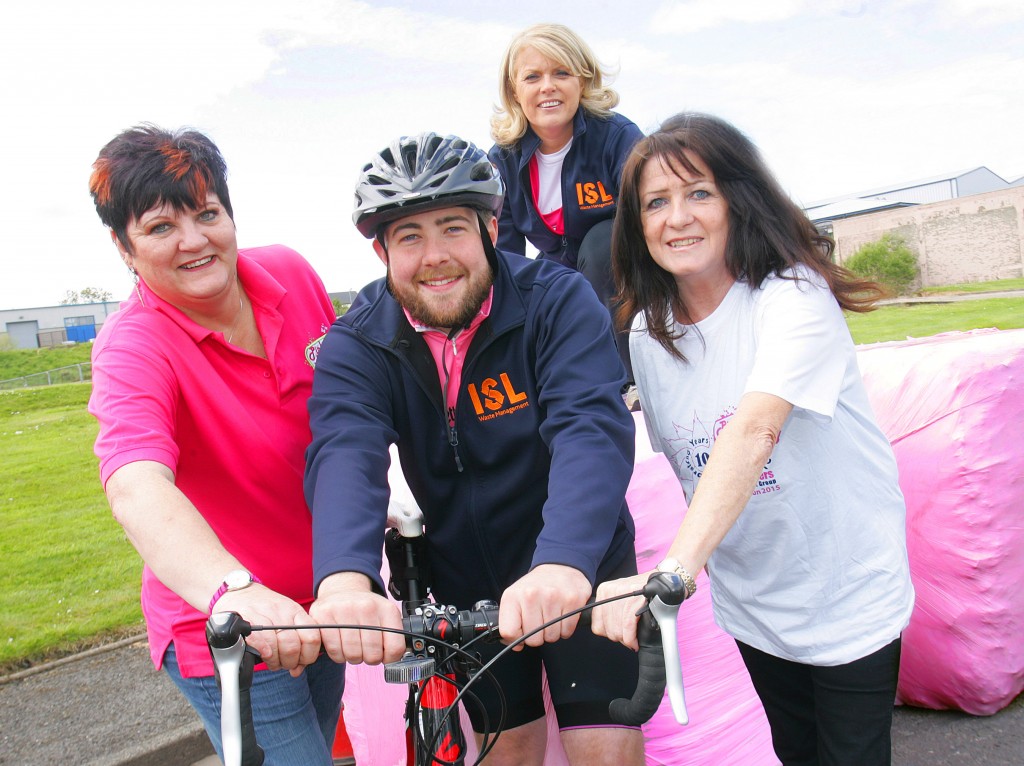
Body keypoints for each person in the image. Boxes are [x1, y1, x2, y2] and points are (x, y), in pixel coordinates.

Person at [305, 132, 644, 766]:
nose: (434, 256)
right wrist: (345, 580)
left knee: (607, 751)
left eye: (453, 228)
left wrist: (565, 560)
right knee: (505, 753)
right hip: (465, 579)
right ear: (381, 249)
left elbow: (588, 428)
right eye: (409, 237)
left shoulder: (556, 300)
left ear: (491, 225)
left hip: (578, 560)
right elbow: (344, 452)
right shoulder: (356, 343)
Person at [592, 113, 915, 766]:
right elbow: (690, 465)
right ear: (637, 223)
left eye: (699, 193)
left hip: (847, 593)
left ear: (738, 201)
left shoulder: (791, 297)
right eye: (656, 202)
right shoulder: (648, 337)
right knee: (796, 752)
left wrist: (673, 570)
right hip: (756, 606)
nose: (676, 217)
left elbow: (752, 432)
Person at [87, 125, 341, 765]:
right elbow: (136, 483)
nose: (194, 241)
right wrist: (235, 591)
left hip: (323, 605)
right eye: (160, 227)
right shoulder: (133, 347)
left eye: (207, 213)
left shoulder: (290, 273)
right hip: (227, 630)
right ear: (124, 246)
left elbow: (346, 417)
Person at [488, 22, 643, 403]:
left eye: (561, 73)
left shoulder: (617, 137)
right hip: (562, 274)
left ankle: (629, 379)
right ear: (514, 91)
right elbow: (502, 255)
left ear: (583, 79)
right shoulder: (501, 160)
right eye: (532, 77)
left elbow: (652, 217)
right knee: (521, 280)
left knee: (601, 243)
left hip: (630, 278)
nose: (548, 87)